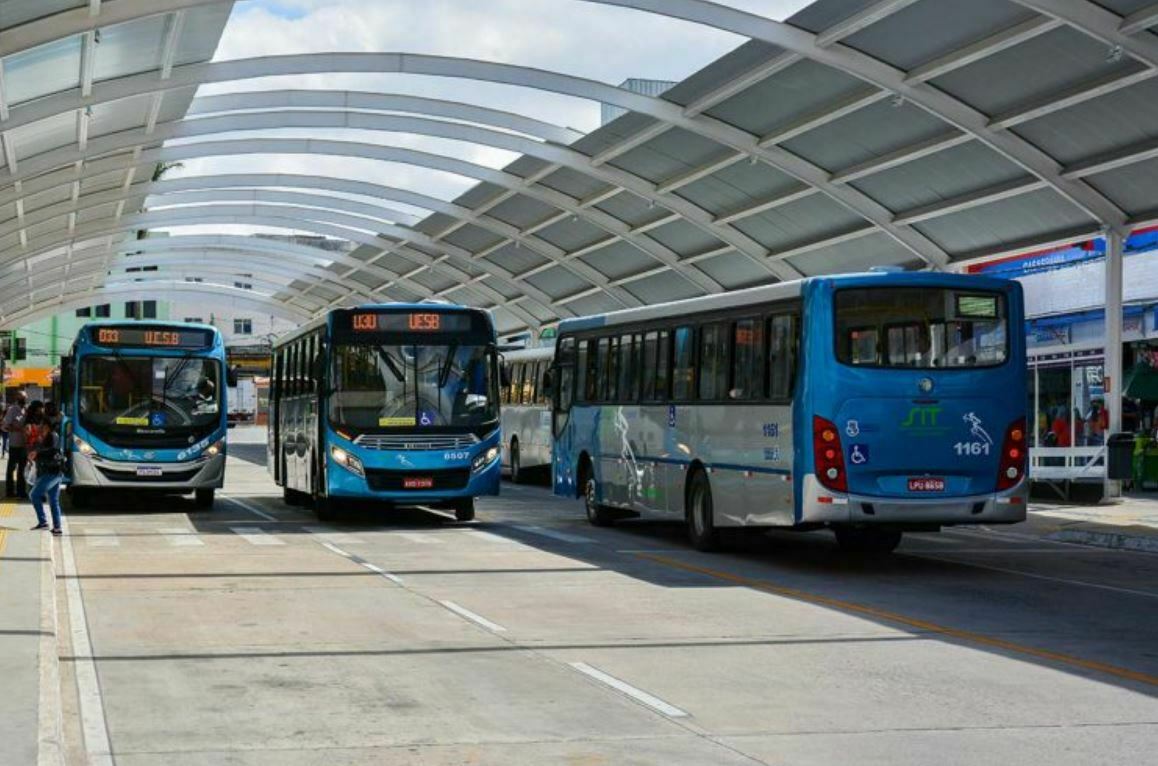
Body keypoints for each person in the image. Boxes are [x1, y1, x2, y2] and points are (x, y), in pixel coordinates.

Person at [28, 418, 64, 536]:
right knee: (53, 500)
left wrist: (37, 453)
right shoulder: (45, 437)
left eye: (42, 425)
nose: (40, 427)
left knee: (33, 495)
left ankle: (43, 522)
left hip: (51, 472)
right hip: (52, 472)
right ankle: (57, 528)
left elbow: (52, 451)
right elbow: (42, 451)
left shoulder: (53, 436)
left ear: (47, 426)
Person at [3, 391, 28, 498]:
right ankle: (9, 492)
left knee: (22, 469)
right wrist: (18, 429)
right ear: (18, 398)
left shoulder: (26, 410)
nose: (25, 399)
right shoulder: (12, 410)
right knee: (11, 469)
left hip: (24, 445)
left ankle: (21, 491)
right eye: (23, 397)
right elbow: (5, 426)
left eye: (26, 397)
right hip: (14, 444)